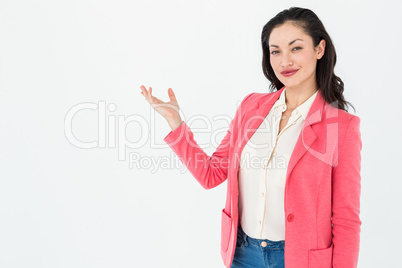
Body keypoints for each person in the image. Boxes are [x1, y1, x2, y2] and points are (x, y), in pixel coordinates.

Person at [140, 6, 362, 268]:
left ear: (319, 49)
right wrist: (176, 124)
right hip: (243, 255)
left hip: (301, 259)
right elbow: (211, 174)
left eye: (296, 48)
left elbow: (346, 219)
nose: (284, 61)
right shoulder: (250, 108)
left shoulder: (342, 127)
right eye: (275, 51)